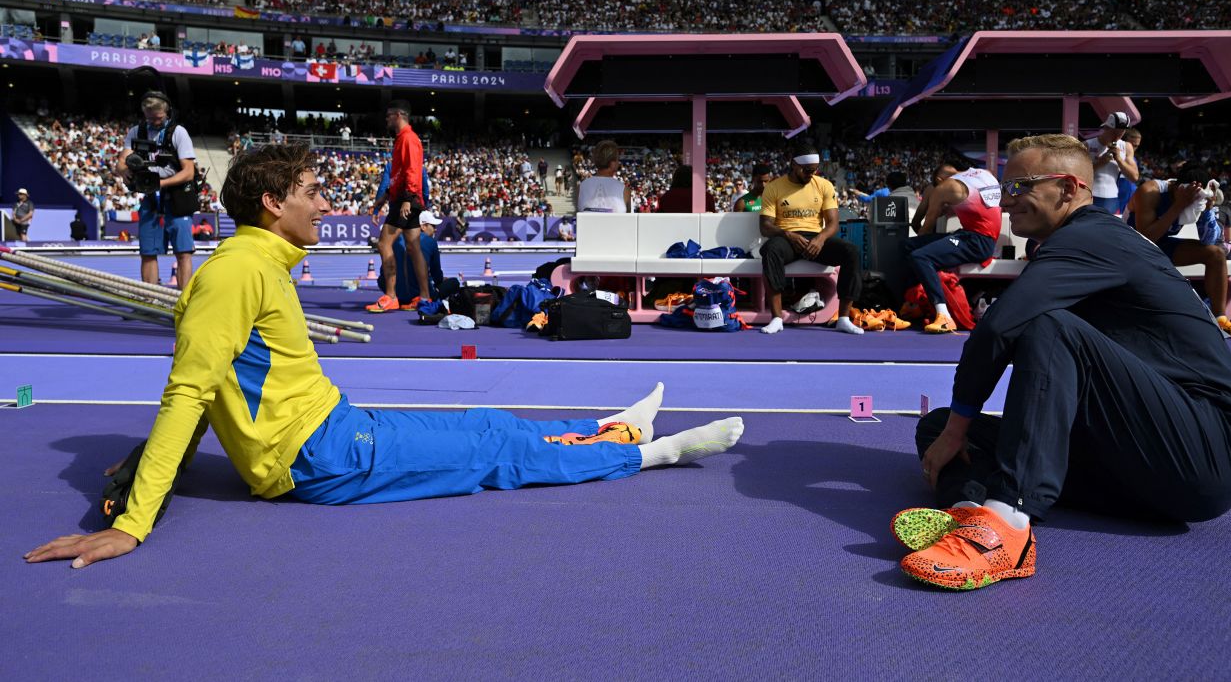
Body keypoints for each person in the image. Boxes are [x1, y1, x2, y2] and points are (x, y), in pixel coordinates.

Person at [23, 144, 744, 569]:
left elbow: (216, 387)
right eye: (309, 193)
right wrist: (133, 521)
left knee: (488, 425)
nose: (320, 203)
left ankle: (615, 430)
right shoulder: (238, 271)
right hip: (322, 454)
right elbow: (189, 391)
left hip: (331, 433)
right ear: (273, 202)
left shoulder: (253, 262)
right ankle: (647, 454)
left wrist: (155, 465)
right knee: (492, 447)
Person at [898, 134, 1231, 591]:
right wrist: (952, 429)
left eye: (1020, 188)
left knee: (1043, 327)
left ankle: (1006, 518)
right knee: (934, 428)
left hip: (1209, 452)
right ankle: (967, 512)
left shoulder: (1092, 236)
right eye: (1004, 190)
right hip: (1136, 458)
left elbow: (1000, 327)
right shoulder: (1074, 242)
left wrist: (960, 427)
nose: (1007, 202)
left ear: (1070, 189)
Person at [1128, 163, 1231, 338]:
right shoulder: (1150, 192)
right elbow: (1145, 239)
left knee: (1215, 254)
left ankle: (1221, 320)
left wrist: (1207, 211)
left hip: (1163, 245)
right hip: (1132, 246)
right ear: (1179, 187)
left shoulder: (1194, 196)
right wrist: (1178, 206)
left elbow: (1209, 240)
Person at [758, 143, 865, 336]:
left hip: (815, 238)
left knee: (852, 251)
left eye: (814, 170)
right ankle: (776, 318)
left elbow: (833, 222)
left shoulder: (824, 185)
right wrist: (787, 234)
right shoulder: (774, 187)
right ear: (794, 165)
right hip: (788, 238)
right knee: (770, 249)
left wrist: (821, 238)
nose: (811, 174)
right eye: (807, 170)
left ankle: (843, 318)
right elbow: (765, 226)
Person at [901, 161, 1002, 334]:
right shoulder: (984, 173)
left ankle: (943, 315)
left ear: (940, 180)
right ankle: (916, 301)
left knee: (920, 256)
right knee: (908, 245)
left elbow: (926, 229)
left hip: (975, 241)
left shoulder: (945, 188)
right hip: (975, 236)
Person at [117, 92, 198, 289]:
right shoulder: (137, 131)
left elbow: (188, 172)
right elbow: (121, 162)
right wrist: (124, 172)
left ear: (167, 111)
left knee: (183, 252)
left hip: (177, 198)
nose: (154, 122)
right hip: (151, 199)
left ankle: (183, 303)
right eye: (150, 117)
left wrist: (161, 184)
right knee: (148, 252)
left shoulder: (178, 132)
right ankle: (149, 299)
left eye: (158, 118)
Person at [367, 101, 432, 314]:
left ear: (398, 115)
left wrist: (407, 198)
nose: (386, 119)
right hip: (404, 197)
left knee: (384, 244)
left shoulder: (408, 139)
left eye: (388, 116)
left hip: (406, 199)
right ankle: (424, 298)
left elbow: (413, 170)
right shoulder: (401, 140)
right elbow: (398, 175)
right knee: (413, 247)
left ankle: (391, 296)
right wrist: (384, 197)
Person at [381, 210, 460, 306]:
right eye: (433, 226)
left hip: (398, 295)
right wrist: (441, 281)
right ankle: (420, 298)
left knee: (382, 279)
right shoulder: (430, 241)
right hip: (422, 294)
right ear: (423, 226)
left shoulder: (395, 241)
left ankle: (393, 298)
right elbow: (437, 275)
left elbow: (383, 272)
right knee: (454, 282)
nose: (435, 229)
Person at [1084, 112, 1139, 215]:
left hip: (1111, 197)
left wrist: (1119, 159)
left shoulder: (1126, 146)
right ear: (1106, 128)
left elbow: (1134, 177)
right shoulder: (1088, 145)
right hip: (1089, 195)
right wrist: (1100, 163)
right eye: (1115, 132)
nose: (1118, 136)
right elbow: (1079, 174)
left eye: (1121, 132)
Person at [576, 140, 631, 214]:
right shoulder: (625, 190)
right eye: (618, 159)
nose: (619, 162)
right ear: (612, 163)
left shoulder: (581, 187)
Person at [911, 161, 958, 235]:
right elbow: (916, 223)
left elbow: (915, 223)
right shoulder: (974, 187)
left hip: (941, 237)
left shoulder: (932, 189)